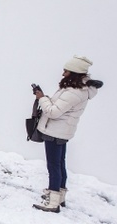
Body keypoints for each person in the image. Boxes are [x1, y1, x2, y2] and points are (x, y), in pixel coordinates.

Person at [33, 55, 103, 213]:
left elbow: (53, 112)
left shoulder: (74, 92)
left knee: (54, 166)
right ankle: (59, 197)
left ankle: (52, 202)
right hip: (62, 131)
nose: (63, 73)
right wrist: (46, 98)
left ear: (74, 73)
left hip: (55, 131)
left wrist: (42, 98)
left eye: (66, 71)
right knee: (59, 164)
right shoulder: (77, 89)